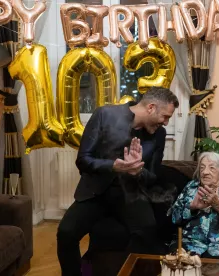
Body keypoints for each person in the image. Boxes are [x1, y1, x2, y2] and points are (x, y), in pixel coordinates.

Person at [57, 87, 179, 276]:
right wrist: (114, 165)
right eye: (165, 116)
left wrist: (137, 170)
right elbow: (83, 160)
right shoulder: (104, 115)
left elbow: (153, 174)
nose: (165, 122)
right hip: (96, 191)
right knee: (66, 233)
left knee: (147, 231)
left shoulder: (159, 135)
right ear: (151, 108)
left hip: (131, 194)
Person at [170, 151, 219, 257]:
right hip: (189, 245)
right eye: (202, 167)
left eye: (212, 168)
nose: (205, 172)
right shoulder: (191, 187)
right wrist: (192, 208)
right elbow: (174, 219)